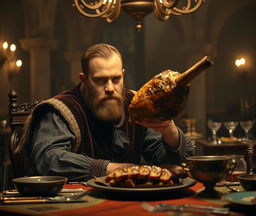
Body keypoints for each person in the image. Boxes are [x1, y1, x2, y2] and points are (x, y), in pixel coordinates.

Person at [24, 43, 193, 181]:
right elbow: (48, 160)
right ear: (84, 79)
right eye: (100, 80)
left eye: (116, 78)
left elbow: (174, 161)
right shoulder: (61, 110)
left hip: (129, 203)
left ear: (123, 75)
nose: (110, 88)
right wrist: (114, 169)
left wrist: (169, 129)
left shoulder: (136, 105)